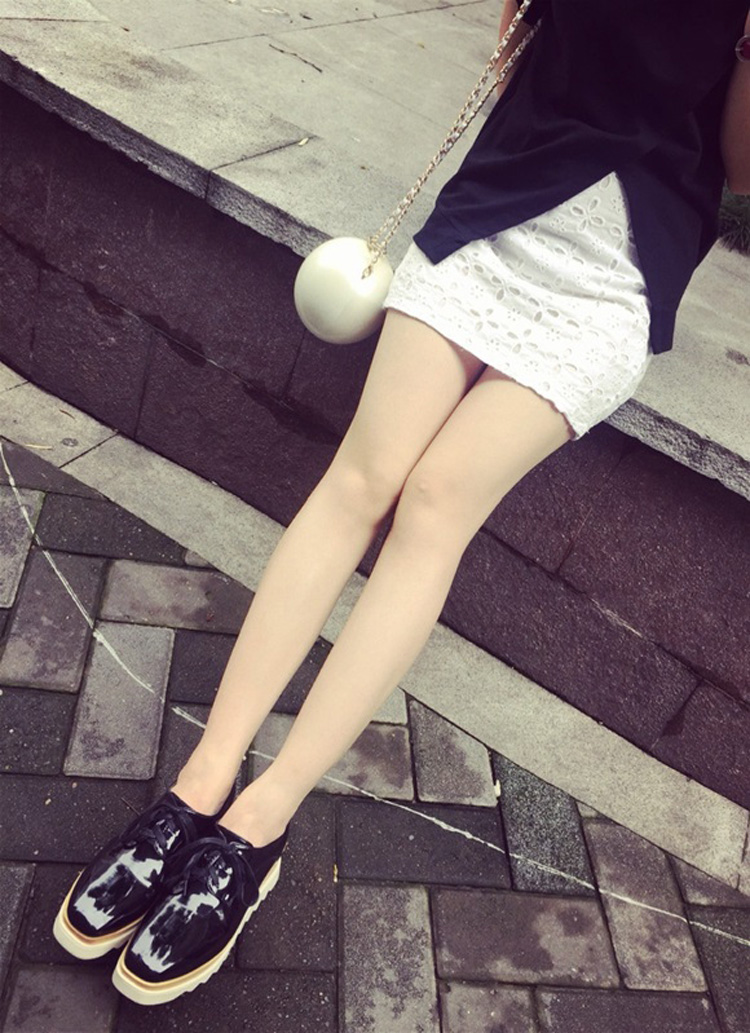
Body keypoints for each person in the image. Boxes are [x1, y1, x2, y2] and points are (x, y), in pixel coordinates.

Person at [53, 0, 750, 1006]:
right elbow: (516, 38)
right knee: (360, 478)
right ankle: (201, 781)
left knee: (433, 503)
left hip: (617, 278)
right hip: (494, 215)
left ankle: (262, 819)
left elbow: (740, 169)